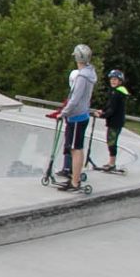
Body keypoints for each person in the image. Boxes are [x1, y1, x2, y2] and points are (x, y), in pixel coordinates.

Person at [54, 42, 96, 192]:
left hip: (76, 116)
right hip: (81, 115)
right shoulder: (89, 74)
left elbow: (75, 99)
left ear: (78, 58)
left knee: (75, 149)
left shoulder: (82, 77)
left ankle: (75, 181)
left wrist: (63, 113)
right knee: (76, 148)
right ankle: (75, 178)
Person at [99, 69, 130, 171]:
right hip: (114, 121)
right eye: (112, 79)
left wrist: (102, 115)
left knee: (112, 142)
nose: (113, 81)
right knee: (110, 141)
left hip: (115, 122)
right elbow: (109, 105)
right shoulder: (114, 91)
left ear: (120, 81)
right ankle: (111, 162)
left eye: (115, 79)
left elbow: (112, 109)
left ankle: (112, 164)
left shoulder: (118, 93)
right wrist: (102, 110)